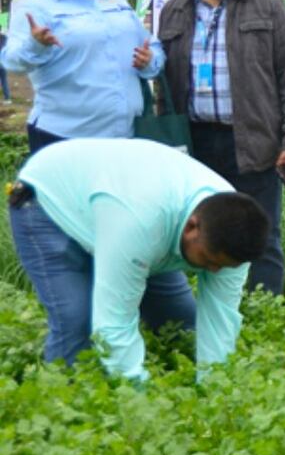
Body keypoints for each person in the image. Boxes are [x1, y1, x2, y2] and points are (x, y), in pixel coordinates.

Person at [8, 138, 269, 380]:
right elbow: (113, 324)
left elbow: (220, 321)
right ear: (192, 227)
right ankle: (62, 406)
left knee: (181, 323)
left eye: (223, 266)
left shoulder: (235, 232)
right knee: (76, 321)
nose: (214, 271)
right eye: (209, 259)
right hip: (48, 202)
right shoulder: (140, 222)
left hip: (125, 212)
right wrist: (137, 402)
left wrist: (216, 389)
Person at [158, 0, 285, 296]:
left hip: (254, 141)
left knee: (261, 235)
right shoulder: (174, 11)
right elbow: (163, 85)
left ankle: (264, 320)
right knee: (201, 232)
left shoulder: (267, 4)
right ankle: (212, 315)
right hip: (194, 144)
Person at [2, 0, 163, 152]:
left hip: (126, 137)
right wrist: (36, 45)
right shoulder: (36, 8)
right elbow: (11, 62)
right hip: (63, 140)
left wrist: (150, 61)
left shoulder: (118, 4)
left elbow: (153, 47)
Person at [0, 30, 10, 103]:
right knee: (4, 80)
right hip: (4, 63)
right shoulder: (5, 40)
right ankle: (7, 98)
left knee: (3, 80)